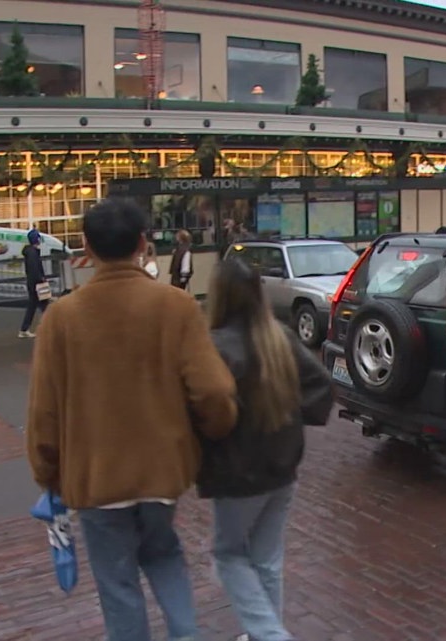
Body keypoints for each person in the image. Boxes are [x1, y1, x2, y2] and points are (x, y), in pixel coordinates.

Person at [26, 197, 239, 641]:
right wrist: (209, 437)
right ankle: (186, 633)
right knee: (163, 555)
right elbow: (215, 391)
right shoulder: (176, 306)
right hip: (161, 472)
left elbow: (44, 412)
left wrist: (49, 473)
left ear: (86, 247)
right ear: (144, 243)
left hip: (96, 479)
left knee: (117, 582)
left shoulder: (62, 317)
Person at [199, 257, 334, 641]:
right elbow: (321, 385)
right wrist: (291, 414)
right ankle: (265, 634)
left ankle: (270, 635)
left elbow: (207, 407)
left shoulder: (215, 346)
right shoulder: (280, 337)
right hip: (282, 465)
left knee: (228, 557)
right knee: (266, 558)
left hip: (238, 473)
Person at [19, 229, 49, 339]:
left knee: (33, 306)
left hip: (33, 283)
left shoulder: (30, 252)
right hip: (37, 283)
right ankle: (48, 328)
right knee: (44, 305)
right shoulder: (33, 253)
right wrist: (41, 279)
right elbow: (35, 268)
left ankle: (24, 329)